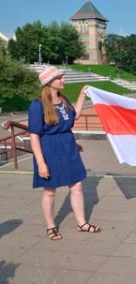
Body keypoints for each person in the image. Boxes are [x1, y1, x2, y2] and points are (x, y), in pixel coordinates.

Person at [28, 66, 101, 240]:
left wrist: (82, 95)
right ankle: (51, 226)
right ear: (49, 82)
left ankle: (81, 223)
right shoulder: (37, 105)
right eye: (59, 78)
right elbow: (34, 136)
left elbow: (74, 117)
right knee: (50, 190)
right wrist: (41, 163)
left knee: (77, 186)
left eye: (62, 77)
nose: (63, 80)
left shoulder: (63, 99)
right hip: (49, 150)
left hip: (67, 146)